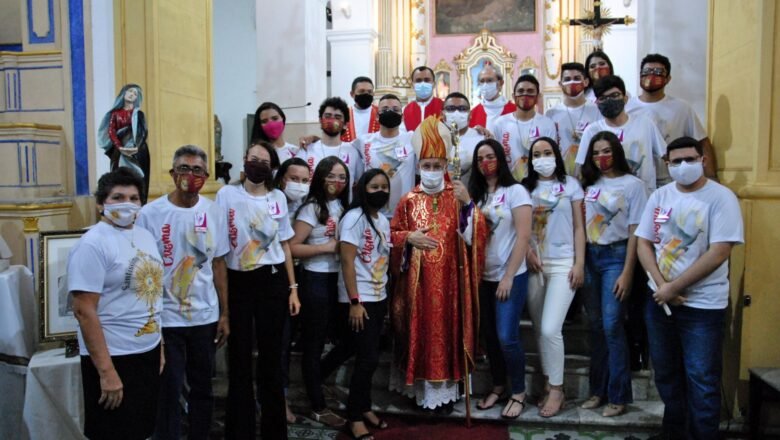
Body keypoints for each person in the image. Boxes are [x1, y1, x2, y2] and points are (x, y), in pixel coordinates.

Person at [636, 137, 743, 439]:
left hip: (703, 307)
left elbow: (720, 250)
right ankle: (673, 433)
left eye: (690, 159)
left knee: (702, 380)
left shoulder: (721, 198)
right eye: (676, 161)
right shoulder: (660, 195)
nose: (683, 166)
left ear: (703, 160)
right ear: (667, 165)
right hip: (660, 302)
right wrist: (660, 284)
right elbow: (644, 242)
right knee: (667, 376)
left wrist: (674, 287)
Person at [389, 117, 488, 411]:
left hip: (449, 285)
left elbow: (477, 235)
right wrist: (408, 238)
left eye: (437, 165)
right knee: (418, 331)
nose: (432, 171)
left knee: (446, 336)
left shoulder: (455, 197)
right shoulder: (408, 200)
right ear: (418, 167)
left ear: (446, 167)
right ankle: (419, 393)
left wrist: (469, 205)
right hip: (416, 286)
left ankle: (447, 391)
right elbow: (392, 235)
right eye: (427, 166)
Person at [134, 145, 228, 440]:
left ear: (206, 175)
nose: (190, 175)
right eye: (184, 169)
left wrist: (226, 313)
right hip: (166, 318)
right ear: (173, 174)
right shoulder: (151, 214)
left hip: (205, 316)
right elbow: (142, 269)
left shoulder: (213, 211)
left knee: (202, 385)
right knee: (168, 388)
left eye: (197, 170)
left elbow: (219, 263)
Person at [69, 167, 164, 439]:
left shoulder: (145, 236)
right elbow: (84, 310)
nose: (127, 204)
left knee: (141, 430)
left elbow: (155, 295)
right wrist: (107, 372)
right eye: (118, 197)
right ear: (101, 203)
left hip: (146, 350)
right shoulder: (93, 243)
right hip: (113, 356)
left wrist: (160, 346)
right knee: (113, 432)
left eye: (134, 198)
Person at [216, 141, 301, 439]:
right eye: (254, 159)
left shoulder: (277, 197)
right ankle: (239, 430)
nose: (258, 165)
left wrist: (293, 288)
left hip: (272, 280)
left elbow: (285, 245)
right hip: (239, 281)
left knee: (271, 358)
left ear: (272, 168)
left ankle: (274, 431)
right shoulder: (227, 194)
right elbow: (219, 247)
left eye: (265, 162)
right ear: (244, 160)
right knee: (239, 359)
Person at [317, 169, 393, 440]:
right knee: (368, 359)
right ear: (362, 189)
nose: (380, 191)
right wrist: (354, 302)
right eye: (374, 186)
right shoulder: (353, 218)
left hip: (378, 295)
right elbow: (347, 262)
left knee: (353, 348)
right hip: (360, 298)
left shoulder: (381, 220)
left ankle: (361, 404)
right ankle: (354, 417)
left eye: (384, 186)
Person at [579, 131, 647, 417]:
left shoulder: (633, 185)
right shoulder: (589, 184)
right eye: (595, 153)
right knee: (595, 326)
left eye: (606, 151)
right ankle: (598, 390)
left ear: (616, 152)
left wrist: (629, 271)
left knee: (611, 325)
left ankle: (618, 395)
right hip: (590, 256)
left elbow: (636, 231)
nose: (600, 158)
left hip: (617, 257)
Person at [467, 139, 532, 419]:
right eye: (480, 158)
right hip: (483, 275)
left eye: (490, 156)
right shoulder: (476, 195)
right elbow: (466, 233)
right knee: (490, 336)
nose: (485, 163)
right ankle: (498, 385)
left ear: (500, 159)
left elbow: (524, 236)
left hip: (511, 274)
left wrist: (508, 276)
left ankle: (518, 391)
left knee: (507, 336)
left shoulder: (516, 191)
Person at [521, 137, 586, 418]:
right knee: (538, 329)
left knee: (550, 328)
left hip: (563, 264)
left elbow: (580, 228)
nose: (542, 158)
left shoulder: (571, 185)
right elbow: (518, 227)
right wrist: (526, 252)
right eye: (537, 154)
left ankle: (558, 388)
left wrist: (579, 263)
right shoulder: (523, 188)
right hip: (534, 264)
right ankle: (548, 381)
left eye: (547, 153)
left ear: (556, 156)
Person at [289, 156, 351, 427]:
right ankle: (317, 405)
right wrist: (325, 248)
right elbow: (291, 247)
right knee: (314, 344)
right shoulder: (312, 207)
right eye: (332, 176)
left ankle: (316, 379)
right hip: (315, 279)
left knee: (350, 340)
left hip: (340, 279)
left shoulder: (346, 205)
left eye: (342, 177)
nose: (337, 182)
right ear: (321, 177)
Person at [626, 53, 718, 180]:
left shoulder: (682, 108)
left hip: (673, 179)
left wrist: (711, 177)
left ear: (668, 78)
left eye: (658, 72)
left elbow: (702, 142)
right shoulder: (627, 108)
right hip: (638, 178)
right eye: (646, 71)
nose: (651, 75)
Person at [575, 75, 667, 194]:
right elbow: (581, 168)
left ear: (625, 98)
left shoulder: (644, 123)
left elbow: (664, 155)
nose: (609, 100)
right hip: (605, 198)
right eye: (603, 98)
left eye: (614, 95)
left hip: (644, 194)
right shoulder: (592, 131)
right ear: (597, 103)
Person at [272, 157, 312, 423]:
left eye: (304, 180)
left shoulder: (308, 206)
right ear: (281, 178)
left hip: (301, 275)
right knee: (279, 344)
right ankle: (278, 400)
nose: (298, 185)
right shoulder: (271, 201)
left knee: (291, 342)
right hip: (275, 277)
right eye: (293, 179)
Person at [353, 94, 417, 219]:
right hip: (374, 214)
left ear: (402, 117)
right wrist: (314, 139)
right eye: (385, 109)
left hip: (404, 213)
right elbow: (340, 146)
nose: (390, 112)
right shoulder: (364, 141)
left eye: (395, 110)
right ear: (377, 116)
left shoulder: (412, 138)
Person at [489, 74, 557, 182]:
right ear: (513, 95)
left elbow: (551, 156)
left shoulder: (547, 124)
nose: (525, 95)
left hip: (538, 182)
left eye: (530, 91)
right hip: (508, 182)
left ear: (538, 97)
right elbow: (495, 155)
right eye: (520, 91)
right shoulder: (500, 123)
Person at [546, 62, 602, 175]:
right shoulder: (551, 114)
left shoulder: (597, 110)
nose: (572, 82)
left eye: (576, 78)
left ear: (585, 82)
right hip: (561, 173)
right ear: (560, 84)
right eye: (567, 79)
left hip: (591, 171)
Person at [98, 84, 151, 203]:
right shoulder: (115, 114)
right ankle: (120, 201)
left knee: (138, 176)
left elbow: (143, 132)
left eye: (135, 94)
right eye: (130, 91)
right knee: (120, 177)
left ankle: (138, 203)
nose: (132, 95)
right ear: (124, 94)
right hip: (120, 150)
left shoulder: (139, 115)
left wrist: (136, 148)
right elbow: (111, 131)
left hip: (137, 151)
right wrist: (119, 146)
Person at [303, 97, 363, 190]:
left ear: (345, 125)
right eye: (327, 116)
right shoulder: (307, 149)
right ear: (320, 120)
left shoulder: (353, 151)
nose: (332, 120)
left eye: (337, 117)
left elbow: (360, 182)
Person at [443, 92, 485, 183]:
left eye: (462, 109)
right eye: (450, 109)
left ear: (470, 114)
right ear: (443, 114)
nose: (456, 113)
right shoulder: (435, 139)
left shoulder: (481, 139)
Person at [468, 64, 516, 130]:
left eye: (489, 80)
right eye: (482, 81)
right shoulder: (473, 114)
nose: (485, 84)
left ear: (501, 83)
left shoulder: (514, 110)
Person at [402, 66, 444, 131]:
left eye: (427, 80)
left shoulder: (444, 107)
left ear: (434, 84)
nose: (423, 83)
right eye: (418, 80)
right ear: (412, 84)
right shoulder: (405, 110)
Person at [342, 76, 381, 142]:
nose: (366, 94)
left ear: (373, 94)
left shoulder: (380, 113)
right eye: (361, 91)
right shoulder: (343, 115)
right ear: (352, 94)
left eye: (369, 92)